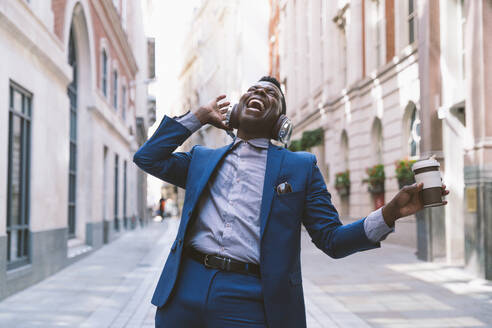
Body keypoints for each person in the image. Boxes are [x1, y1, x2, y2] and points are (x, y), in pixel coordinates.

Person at [133, 76, 449, 328]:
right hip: (183, 291)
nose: (259, 93)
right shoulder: (202, 159)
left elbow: (332, 240)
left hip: (249, 298)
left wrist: (390, 213)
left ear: (281, 123)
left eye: (271, 95)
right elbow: (148, 157)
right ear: (235, 110)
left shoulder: (300, 166)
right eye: (253, 90)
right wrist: (198, 116)